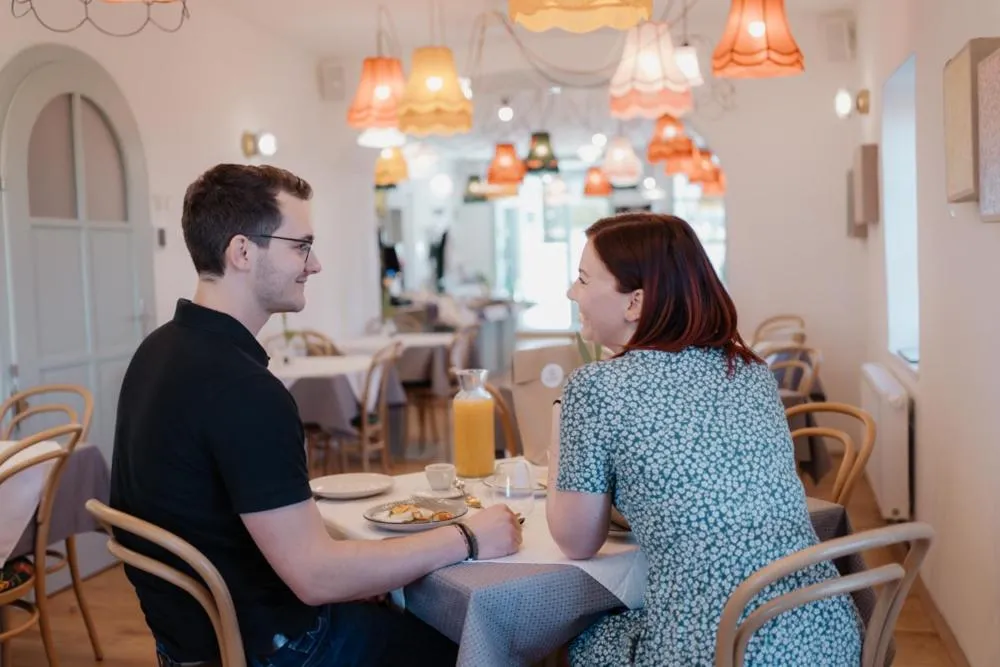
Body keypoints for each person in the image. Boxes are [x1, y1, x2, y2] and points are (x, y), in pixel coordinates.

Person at [109, 164, 521, 667]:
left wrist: (355, 576)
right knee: (480, 641)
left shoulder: (156, 351)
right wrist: (468, 536)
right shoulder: (244, 389)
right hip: (274, 650)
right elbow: (316, 577)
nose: (315, 264)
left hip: (188, 645)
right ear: (242, 252)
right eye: (301, 246)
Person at [545, 213, 863, 666]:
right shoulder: (751, 372)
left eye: (582, 279)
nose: (571, 292)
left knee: (568, 640)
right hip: (826, 635)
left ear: (635, 302)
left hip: (718, 649)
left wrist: (560, 419)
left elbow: (577, 542)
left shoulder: (595, 386)